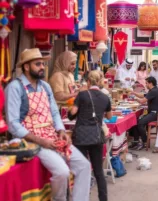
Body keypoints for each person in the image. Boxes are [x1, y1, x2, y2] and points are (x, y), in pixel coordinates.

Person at [5, 48, 91, 201]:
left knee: (84, 166)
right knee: (62, 172)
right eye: (38, 64)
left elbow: (54, 112)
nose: (42, 67)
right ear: (26, 66)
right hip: (30, 141)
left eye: (43, 64)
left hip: (51, 136)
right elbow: (13, 124)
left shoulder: (45, 86)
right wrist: (40, 141)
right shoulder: (15, 88)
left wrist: (61, 130)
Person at [68, 70, 111, 201]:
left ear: (88, 81)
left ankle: (81, 197)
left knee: (81, 169)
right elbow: (109, 116)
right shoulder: (105, 97)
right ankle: (103, 198)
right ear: (99, 82)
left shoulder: (82, 95)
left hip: (81, 135)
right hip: (96, 136)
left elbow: (71, 114)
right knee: (98, 172)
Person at [129, 77, 158, 150]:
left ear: (150, 83)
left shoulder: (154, 91)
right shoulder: (153, 90)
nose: (145, 84)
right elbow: (143, 95)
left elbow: (142, 101)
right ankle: (136, 141)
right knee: (135, 120)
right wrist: (133, 93)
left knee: (140, 123)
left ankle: (144, 142)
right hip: (153, 113)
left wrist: (134, 98)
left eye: (146, 83)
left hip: (155, 114)